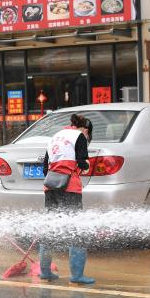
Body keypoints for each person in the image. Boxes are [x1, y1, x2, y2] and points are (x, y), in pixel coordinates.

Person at [38, 114, 95, 285]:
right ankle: (77, 276)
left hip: (51, 187)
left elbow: (45, 167)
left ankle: (45, 272)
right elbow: (82, 163)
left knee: (49, 229)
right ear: (86, 131)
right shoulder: (79, 137)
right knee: (76, 230)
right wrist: (86, 166)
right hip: (70, 187)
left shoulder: (55, 137)